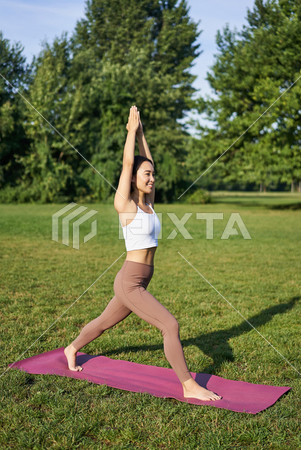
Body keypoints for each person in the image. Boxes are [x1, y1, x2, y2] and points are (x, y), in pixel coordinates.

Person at [64, 105, 222, 402]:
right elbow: (128, 165)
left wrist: (142, 135)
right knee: (170, 325)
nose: (151, 178)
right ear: (134, 177)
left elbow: (145, 161)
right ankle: (188, 384)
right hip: (130, 282)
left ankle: (71, 349)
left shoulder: (148, 203)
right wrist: (131, 133)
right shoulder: (125, 205)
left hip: (140, 281)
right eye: (146, 174)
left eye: (152, 174)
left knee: (102, 323)